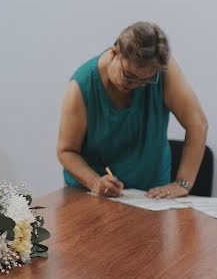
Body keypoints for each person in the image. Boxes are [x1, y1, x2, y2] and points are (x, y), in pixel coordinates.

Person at [56, 21, 209, 199]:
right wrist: (95, 182)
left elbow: (198, 124)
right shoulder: (82, 86)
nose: (136, 86)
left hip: (151, 195)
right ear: (114, 53)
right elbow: (66, 151)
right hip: (93, 194)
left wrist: (183, 183)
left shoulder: (162, 71)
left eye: (146, 81)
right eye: (129, 77)